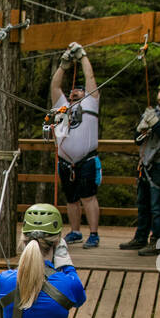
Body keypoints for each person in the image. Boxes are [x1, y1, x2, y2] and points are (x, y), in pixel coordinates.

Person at [119, 76, 160, 256]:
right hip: (146, 163)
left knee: (158, 205)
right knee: (143, 203)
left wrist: (155, 123)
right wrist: (141, 128)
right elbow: (136, 140)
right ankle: (140, 237)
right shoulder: (152, 111)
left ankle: (156, 241)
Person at [49, 41, 102, 249]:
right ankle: (75, 231)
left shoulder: (91, 103)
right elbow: (54, 86)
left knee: (88, 197)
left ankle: (94, 233)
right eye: (72, 91)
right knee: (71, 199)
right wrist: (63, 65)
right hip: (65, 161)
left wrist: (82, 57)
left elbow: (90, 79)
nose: (74, 93)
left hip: (86, 158)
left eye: (79, 91)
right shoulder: (63, 107)